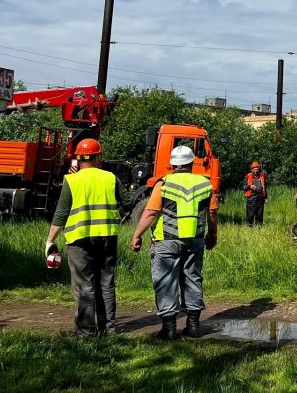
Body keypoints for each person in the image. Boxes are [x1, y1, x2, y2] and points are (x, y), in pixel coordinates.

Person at [44, 138, 133, 338]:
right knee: (106, 283)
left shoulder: (71, 180)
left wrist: (50, 240)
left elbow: (61, 214)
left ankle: (86, 332)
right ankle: (108, 329)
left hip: (79, 238)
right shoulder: (110, 178)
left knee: (84, 284)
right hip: (107, 237)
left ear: (77, 158)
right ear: (98, 157)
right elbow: (128, 201)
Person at [130, 146, 219, 340]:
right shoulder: (205, 184)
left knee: (165, 281)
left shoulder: (164, 183)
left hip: (167, 240)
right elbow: (212, 213)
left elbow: (151, 212)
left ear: (172, 163)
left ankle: (169, 329)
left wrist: (137, 235)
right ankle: (193, 326)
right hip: (195, 240)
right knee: (192, 279)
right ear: (191, 162)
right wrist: (212, 235)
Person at [243, 161, 267, 226]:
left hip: (260, 198)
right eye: (254, 169)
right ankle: (249, 226)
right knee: (250, 213)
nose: (256, 171)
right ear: (251, 169)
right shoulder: (247, 176)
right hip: (251, 198)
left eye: (257, 169)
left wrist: (265, 198)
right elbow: (244, 187)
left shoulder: (262, 176)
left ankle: (259, 227)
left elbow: (265, 187)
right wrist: (250, 186)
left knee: (260, 214)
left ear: (259, 169)